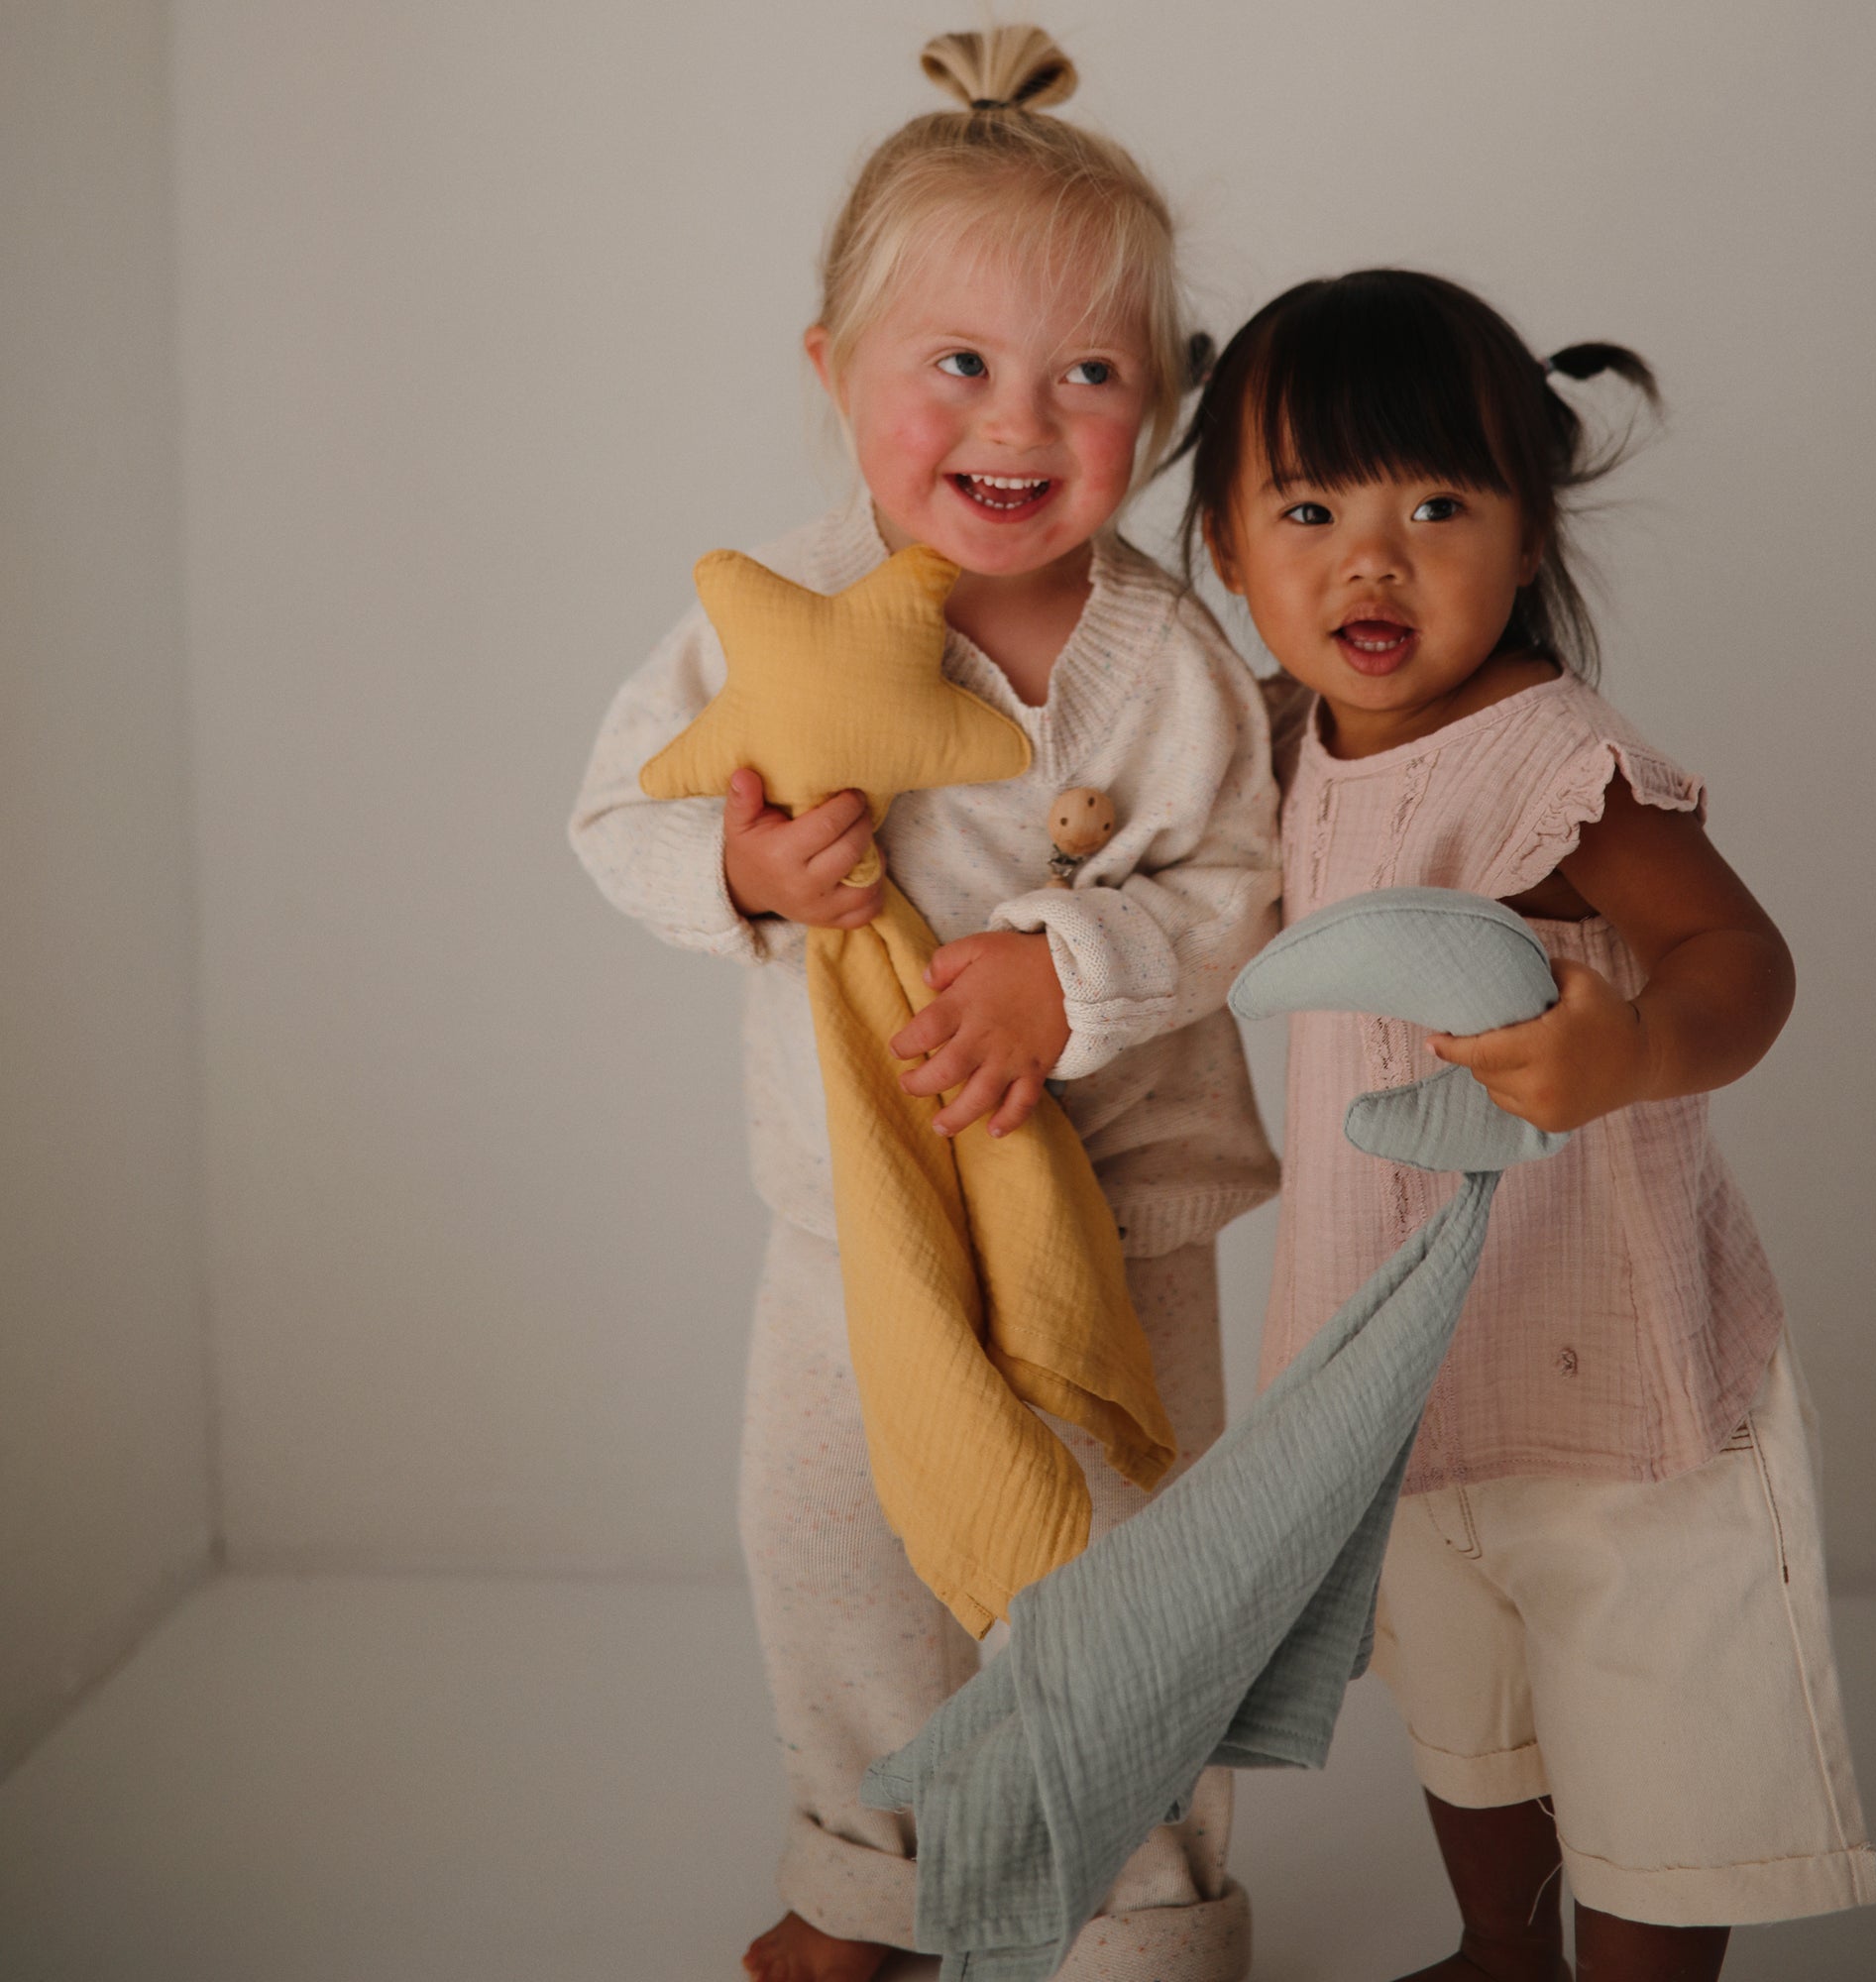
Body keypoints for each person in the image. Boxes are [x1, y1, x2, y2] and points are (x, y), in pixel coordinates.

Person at [569, 28, 1279, 1982]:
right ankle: (868, 1882)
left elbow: (1237, 879)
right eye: (954, 364)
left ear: (1160, 401)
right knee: (836, 1566)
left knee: (1129, 1584)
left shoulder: (1170, 665)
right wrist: (740, 870)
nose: (1017, 421)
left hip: (1119, 1232)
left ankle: (1144, 1905)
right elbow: (612, 812)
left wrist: (1070, 972)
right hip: (849, 1230)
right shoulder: (756, 617)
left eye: (1089, 375)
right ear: (834, 372)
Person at [1183, 269, 1876, 1982]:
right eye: (1310, 507)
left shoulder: (1554, 756)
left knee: (1653, 1745)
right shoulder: (1280, 754)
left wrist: (1631, 1049)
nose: (1374, 556)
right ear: (1221, 548)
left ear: (1528, 529)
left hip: (1617, 1374)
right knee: (1468, 1710)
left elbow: (1745, 958)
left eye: (1438, 504)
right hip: (1406, 1351)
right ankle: (1503, 1947)